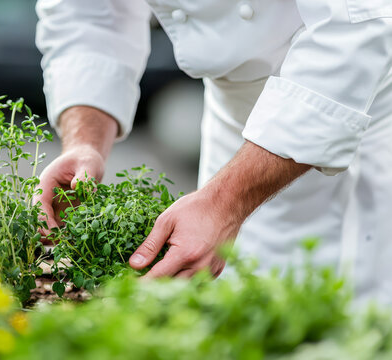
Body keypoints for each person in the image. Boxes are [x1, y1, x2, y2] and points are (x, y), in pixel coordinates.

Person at [33, 1, 392, 303]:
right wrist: (85, 142)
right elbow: (90, 13)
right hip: (233, 121)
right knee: (231, 309)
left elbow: (359, 26)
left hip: (354, 108)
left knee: (343, 317)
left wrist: (226, 202)